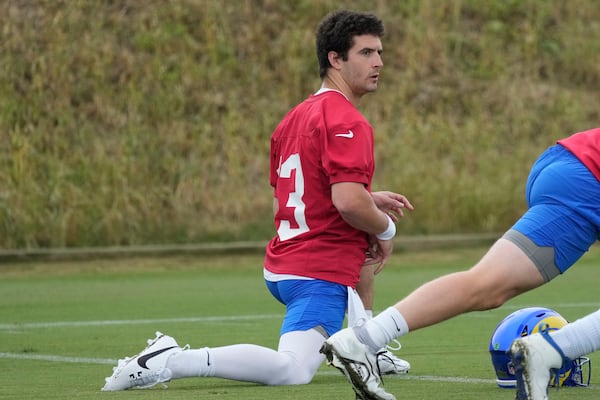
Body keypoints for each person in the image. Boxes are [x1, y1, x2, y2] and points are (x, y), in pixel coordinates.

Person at [102, 9, 414, 392]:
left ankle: (367, 345)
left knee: (358, 251)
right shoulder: (347, 120)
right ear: (335, 58)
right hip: (316, 270)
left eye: (379, 52)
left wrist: (366, 201)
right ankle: (170, 359)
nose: (379, 62)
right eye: (366, 52)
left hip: (284, 263)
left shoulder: (293, 118)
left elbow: (290, 197)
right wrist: (386, 228)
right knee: (293, 370)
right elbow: (348, 203)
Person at [320, 127, 600, 400]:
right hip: (588, 176)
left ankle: (364, 338)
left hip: (570, 163)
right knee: (486, 284)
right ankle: (551, 349)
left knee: (487, 286)